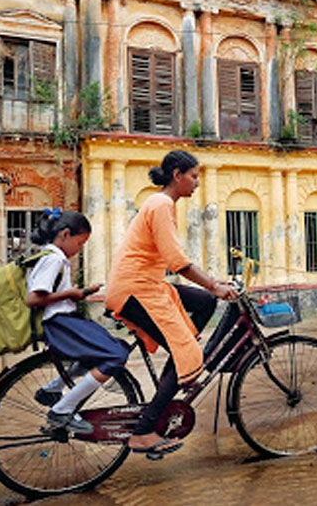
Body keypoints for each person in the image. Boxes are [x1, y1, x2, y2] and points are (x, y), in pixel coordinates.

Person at [105, 150, 238, 459]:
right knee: (186, 353)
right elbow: (177, 262)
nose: (197, 183)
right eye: (193, 176)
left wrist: (212, 287)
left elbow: (173, 259)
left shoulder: (162, 204)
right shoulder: (162, 204)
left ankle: (179, 362)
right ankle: (143, 432)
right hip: (136, 290)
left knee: (204, 303)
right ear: (177, 175)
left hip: (145, 285)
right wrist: (215, 284)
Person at [26, 208, 130, 434]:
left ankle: (52, 389)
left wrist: (80, 293)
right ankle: (62, 409)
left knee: (113, 348)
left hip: (65, 320)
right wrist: (71, 294)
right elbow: (34, 298)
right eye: (80, 243)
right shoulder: (53, 258)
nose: (80, 248)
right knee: (117, 355)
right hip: (60, 323)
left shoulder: (53, 256)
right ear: (64, 234)